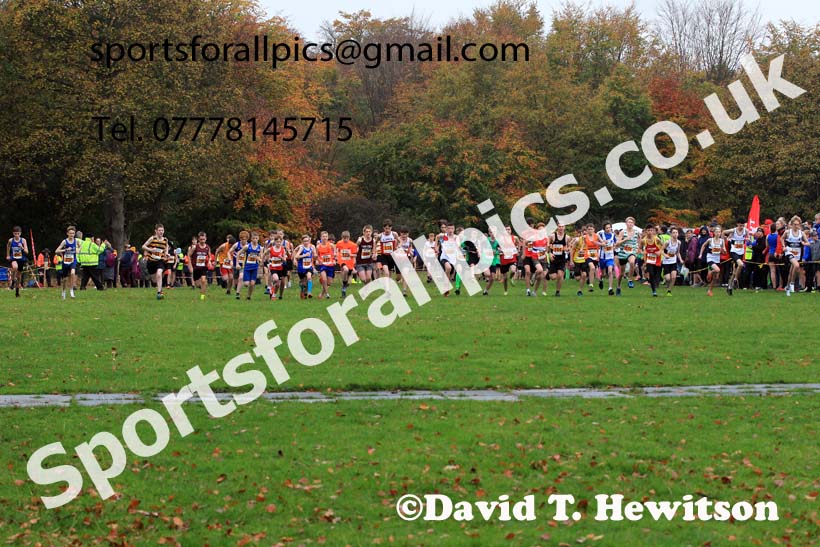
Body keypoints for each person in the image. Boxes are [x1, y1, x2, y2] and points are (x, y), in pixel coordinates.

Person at [141, 224, 171, 299]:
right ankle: (159, 287)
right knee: (154, 280)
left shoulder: (165, 240)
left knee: (159, 274)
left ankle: (159, 292)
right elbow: (143, 246)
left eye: (162, 230)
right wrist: (151, 250)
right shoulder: (152, 238)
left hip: (160, 260)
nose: (161, 232)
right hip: (151, 261)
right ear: (156, 231)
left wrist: (166, 253)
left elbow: (166, 247)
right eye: (159, 230)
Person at [781, 216, 808, 297]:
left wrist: (804, 243)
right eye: (795, 224)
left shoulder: (801, 233)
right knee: (796, 265)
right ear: (791, 224)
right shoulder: (787, 232)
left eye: (798, 224)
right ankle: (792, 283)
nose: (796, 226)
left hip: (797, 254)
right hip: (789, 252)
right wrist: (783, 246)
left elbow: (808, 243)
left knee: (792, 270)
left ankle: (788, 287)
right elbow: (782, 239)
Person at [721, 220, 750, 295]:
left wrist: (748, 240)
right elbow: (723, 232)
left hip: (741, 251)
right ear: (737, 224)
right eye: (740, 225)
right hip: (733, 251)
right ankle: (735, 280)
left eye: (742, 226)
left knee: (735, 271)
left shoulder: (746, 230)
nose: (741, 227)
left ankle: (729, 287)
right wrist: (723, 245)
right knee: (740, 265)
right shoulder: (733, 230)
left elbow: (748, 239)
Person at [616, 217, 640, 292]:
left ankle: (630, 280)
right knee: (621, 273)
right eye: (628, 222)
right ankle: (618, 286)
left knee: (632, 262)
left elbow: (639, 242)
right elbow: (617, 243)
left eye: (631, 222)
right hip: (623, 253)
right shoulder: (623, 232)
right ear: (626, 223)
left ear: (634, 224)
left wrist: (638, 249)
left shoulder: (636, 232)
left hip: (632, 252)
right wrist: (625, 239)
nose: (630, 224)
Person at [54, 226, 78, 299]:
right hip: (65, 261)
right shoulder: (65, 241)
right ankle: (63, 291)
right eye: (70, 233)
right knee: (64, 279)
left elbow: (80, 248)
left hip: (73, 260)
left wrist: (78, 250)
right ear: (67, 233)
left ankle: (71, 290)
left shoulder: (76, 241)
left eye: (73, 233)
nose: (72, 235)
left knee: (73, 273)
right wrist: (65, 250)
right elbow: (56, 251)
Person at [699, 225, 724, 297]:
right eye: (717, 232)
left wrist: (723, 250)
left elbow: (723, 250)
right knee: (718, 270)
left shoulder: (722, 241)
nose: (718, 233)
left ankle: (710, 290)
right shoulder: (710, 240)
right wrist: (700, 254)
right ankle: (710, 272)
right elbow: (703, 245)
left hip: (717, 259)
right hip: (710, 258)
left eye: (719, 232)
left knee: (716, 277)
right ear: (714, 233)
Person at [237, 232, 263, 300]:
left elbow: (261, 258)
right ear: (251, 239)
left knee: (252, 284)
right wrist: (237, 264)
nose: (255, 240)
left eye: (256, 238)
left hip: (254, 267)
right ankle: (240, 289)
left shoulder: (260, 248)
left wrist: (259, 260)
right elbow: (238, 253)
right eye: (253, 238)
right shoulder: (247, 247)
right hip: (247, 267)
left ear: (258, 239)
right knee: (246, 284)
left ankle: (249, 296)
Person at [640, 225, 663, 297]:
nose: (650, 232)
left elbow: (663, 246)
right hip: (649, 260)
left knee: (656, 274)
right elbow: (639, 249)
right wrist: (642, 252)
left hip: (657, 259)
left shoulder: (657, 239)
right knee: (651, 274)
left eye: (651, 230)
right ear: (646, 231)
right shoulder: (643, 240)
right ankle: (654, 291)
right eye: (648, 230)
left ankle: (655, 284)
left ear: (653, 231)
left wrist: (659, 251)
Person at [188, 231, 211, 300]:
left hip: (203, 267)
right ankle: (202, 288)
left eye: (203, 239)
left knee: (203, 280)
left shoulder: (207, 247)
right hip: (196, 268)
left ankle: (202, 296)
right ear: (198, 239)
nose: (202, 241)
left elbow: (209, 256)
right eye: (201, 239)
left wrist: (209, 261)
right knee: (198, 284)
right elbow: (189, 256)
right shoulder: (195, 247)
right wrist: (190, 266)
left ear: (206, 239)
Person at [335, 230, 358, 298]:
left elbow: (355, 255)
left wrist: (351, 255)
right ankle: (344, 284)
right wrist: (336, 256)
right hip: (342, 261)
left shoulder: (352, 245)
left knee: (349, 282)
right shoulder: (339, 243)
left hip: (350, 262)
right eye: (344, 238)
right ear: (342, 237)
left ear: (349, 237)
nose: (345, 239)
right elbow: (337, 250)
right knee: (345, 270)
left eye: (347, 238)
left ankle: (343, 291)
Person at [661, 227, 683, 296]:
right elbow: (661, 250)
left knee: (673, 277)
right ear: (671, 234)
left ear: (678, 234)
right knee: (668, 278)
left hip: (673, 261)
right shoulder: (667, 242)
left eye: (676, 233)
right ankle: (667, 285)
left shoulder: (679, 242)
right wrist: (665, 255)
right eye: (673, 233)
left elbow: (678, 252)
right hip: (666, 262)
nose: (675, 234)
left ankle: (669, 291)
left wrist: (681, 259)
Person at [547, 223, 568, 296]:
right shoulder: (552, 236)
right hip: (554, 259)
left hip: (562, 259)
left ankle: (558, 291)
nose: (561, 228)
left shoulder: (567, 237)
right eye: (559, 226)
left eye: (562, 226)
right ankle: (548, 273)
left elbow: (570, 247)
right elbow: (548, 246)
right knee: (553, 277)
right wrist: (549, 253)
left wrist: (567, 249)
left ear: (564, 227)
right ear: (557, 227)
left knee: (560, 275)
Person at [265, 234, 288, 300]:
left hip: (280, 268)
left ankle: (273, 294)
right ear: (274, 242)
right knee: (276, 279)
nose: (278, 243)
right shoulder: (271, 249)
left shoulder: (283, 249)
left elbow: (285, 260)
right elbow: (264, 253)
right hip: (273, 268)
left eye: (280, 242)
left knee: (279, 284)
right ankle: (272, 290)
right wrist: (264, 259)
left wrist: (281, 258)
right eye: (277, 242)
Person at [294, 234, 317, 299]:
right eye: (304, 241)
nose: (306, 242)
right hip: (301, 268)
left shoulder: (312, 247)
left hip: (309, 267)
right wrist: (304, 255)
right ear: (302, 242)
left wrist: (315, 256)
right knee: (303, 283)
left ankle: (309, 292)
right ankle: (303, 291)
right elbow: (296, 256)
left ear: (309, 241)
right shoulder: (301, 248)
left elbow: (315, 255)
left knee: (309, 277)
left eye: (307, 241)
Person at [597, 222, 617, 295]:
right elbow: (595, 242)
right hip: (602, 257)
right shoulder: (601, 235)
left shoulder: (613, 235)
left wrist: (614, 247)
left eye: (609, 227)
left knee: (610, 271)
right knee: (603, 274)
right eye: (607, 228)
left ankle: (610, 288)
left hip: (610, 257)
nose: (608, 229)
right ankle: (601, 280)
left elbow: (615, 244)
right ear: (604, 229)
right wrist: (602, 243)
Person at [498, 226, 519, 296]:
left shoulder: (515, 238)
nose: (507, 231)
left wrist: (518, 249)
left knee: (513, 270)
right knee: (505, 277)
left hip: (512, 258)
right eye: (506, 229)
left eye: (509, 229)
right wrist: (500, 250)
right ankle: (505, 290)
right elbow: (497, 247)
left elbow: (518, 243)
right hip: (504, 259)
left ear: (511, 230)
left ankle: (511, 278)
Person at [316, 231, 336, 299]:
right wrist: (318, 260)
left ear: (328, 237)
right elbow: (317, 255)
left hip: (330, 265)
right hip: (323, 265)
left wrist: (334, 260)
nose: (325, 238)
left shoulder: (331, 245)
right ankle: (327, 294)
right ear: (321, 237)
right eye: (323, 236)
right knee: (324, 279)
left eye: (326, 236)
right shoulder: (318, 246)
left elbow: (335, 254)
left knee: (329, 283)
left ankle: (322, 293)